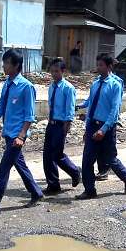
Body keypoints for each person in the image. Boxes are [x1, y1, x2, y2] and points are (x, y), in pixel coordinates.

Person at [0, 49, 44, 221]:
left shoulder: (26, 87)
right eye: (3, 62)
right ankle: (36, 192)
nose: (3, 66)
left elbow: (29, 116)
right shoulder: (7, 84)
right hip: (8, 134)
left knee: (3, 171)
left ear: (16, 65)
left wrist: (21, 136)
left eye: (6, 63)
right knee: (20, 164)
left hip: (17, 136)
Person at [76, 54, 126, 199]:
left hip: (106, 127)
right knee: (87, 159)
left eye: (101, 65)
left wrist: (104, 129)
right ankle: (89, 190)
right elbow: (90, 103)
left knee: (110, 159)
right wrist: (86, 124)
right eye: (98, 64)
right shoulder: (95, 84)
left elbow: (115, 110)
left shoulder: (115, 85)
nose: (98, 67)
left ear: (109, 66)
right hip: (92, 125)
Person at [43, 58, 81, 193]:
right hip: (51, 124)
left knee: (57, 154)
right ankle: (53, 185)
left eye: (57, 71)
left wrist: (66, 127)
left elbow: (70, 109)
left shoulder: (68, 88)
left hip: (61, 125)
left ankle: (74, 171)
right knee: (47, 155)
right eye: (52, 71)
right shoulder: (52, 87)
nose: (54, 74)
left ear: (63, 71)